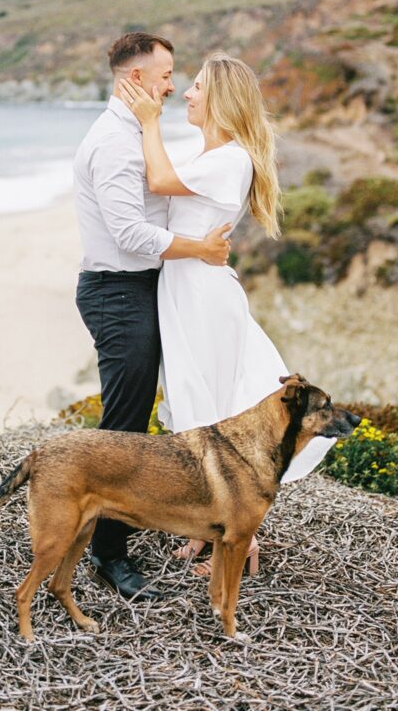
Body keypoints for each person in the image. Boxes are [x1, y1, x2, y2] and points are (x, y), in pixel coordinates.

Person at [73, 33, 232, 600]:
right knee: (125, 426)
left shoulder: (136, 131)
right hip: (118, 294)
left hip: (144, 288)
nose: (173, 83)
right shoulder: (114, 143)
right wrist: (203, 251)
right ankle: (107, 555)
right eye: (166, 74)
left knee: (149, 416)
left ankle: (137, 529)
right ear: (136, 78)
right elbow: (130, 234)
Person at [118, 52, 287, 576]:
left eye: (195, 87)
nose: (186, 95)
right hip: (187, 290)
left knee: (212, 418)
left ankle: (240, 544)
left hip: (202, 299)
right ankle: (207, 530)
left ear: (220, 98)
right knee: (195, 409)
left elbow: (159, 182)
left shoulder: (232, 158)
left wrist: (148, 121)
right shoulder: (212, 153)